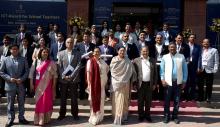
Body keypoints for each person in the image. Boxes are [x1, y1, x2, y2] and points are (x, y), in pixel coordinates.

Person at [0, 44, 29, 127]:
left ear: (18, 50)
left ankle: (21, 118)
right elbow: (1, 72)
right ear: (10, 50)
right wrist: (9, 78)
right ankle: (10, 119)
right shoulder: (5, 60)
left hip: (21, 85)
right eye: (13, 49)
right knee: (10, 103)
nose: (15, 50)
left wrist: (22, 79)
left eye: (16, 49)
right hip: (10, 85)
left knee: (21, 102)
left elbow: (27, 71)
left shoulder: (23, 59)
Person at [160, 42, 188, 124]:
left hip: (178, 82)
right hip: (168, 82)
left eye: (173, 47)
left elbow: (185, 70)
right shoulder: (165, 57)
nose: (172, 48)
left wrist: (184, 81)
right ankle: (166, 116)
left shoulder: (181, 56)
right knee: (167, 100)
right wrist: (162, 79)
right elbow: (162, 70)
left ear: (176, 48)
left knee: (177, 100)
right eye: (170, 47)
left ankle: (175, 116)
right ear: (168, 48)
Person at [29, 48, 57, 126]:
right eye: (44, 52)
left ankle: (44, 119)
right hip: (38, 87)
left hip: (48, 85)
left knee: (46, 102)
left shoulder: (51, 63)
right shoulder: (35, 62)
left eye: (47, 52)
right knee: (39, 103)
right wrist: (31, 84)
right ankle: (37, 119)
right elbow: (31, 74)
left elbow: (55, 76)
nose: (45, 53)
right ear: (40, 53)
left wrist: (54, 87)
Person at [110, 46, 136, 125]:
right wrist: (120, 79)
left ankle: (123, 117)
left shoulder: (128, 61)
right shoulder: (114, 60)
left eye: (123, 51)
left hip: (125, 83)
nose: (122, 52)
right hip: (116, 83)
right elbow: (112, 71)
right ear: (118, 51)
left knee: (124, 99)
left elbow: (132, 71)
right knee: (116, 100)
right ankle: (116, 117)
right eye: (120, 51)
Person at [57, 38, 82, 120]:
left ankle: (75, 114)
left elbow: (78, 65)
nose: (70, 44)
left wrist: (71, 76)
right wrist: (64, 76)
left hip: (73, 79)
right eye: (68, 42)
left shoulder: (77, 53)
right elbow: (59, 66)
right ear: (65, 43)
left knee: (74, 98)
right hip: (63, 79)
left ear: (73, 43)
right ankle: (62, 114)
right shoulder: (60, 53)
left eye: (71, 42)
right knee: (63, 98)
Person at [133, 46, 157, 122]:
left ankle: (147, 115)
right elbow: (134, 73)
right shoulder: (136, 60)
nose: (145, 52)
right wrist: (134, 84)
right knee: (140, 101)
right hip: (140, 84)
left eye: (146, 51)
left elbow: (155, 74)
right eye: (143, 51)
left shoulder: (152, 60)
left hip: (149, 84)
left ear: (148, 52)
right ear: (141, 52)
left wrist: (154, 84)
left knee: (148, 101)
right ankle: (140, 115)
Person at [86, 47, 109, 125]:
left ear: (100, 53)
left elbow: (107, 69)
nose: (96, 53)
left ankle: (100, 116)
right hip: (93, 85)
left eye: (98, 52)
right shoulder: (90, 61)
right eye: (95, 52)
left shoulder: (103, 62)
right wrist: (89, 84)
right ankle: (93, 116)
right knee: (93, 101)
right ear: (93, 53)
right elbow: (88, 73)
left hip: (101, 85)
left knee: (101, 100)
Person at [197, 39, 219, 103]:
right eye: (204, 42)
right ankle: (201, 97)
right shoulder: (200, 50)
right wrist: (198, 68)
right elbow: (198, 59)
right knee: (200, 84)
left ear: (209, 43)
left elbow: (216, 61)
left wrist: (215, 70)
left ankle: (208, 97)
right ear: (202, 43)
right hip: (201, 69)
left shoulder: (214, 50)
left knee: (209, 84)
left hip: (209, 70)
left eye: (207, 42)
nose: (205, 43)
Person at [184, 34, 201, 101]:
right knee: (186, 81)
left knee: (193, 82)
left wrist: (199, 67)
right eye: (191, 37)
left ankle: (192, 96)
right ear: (188, 38)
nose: (192, 38)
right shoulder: (185, 45)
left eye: (194, 38)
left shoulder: (198, 47)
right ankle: (186, 97)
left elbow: (200, 57)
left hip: (194, 66)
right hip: (186, 65)